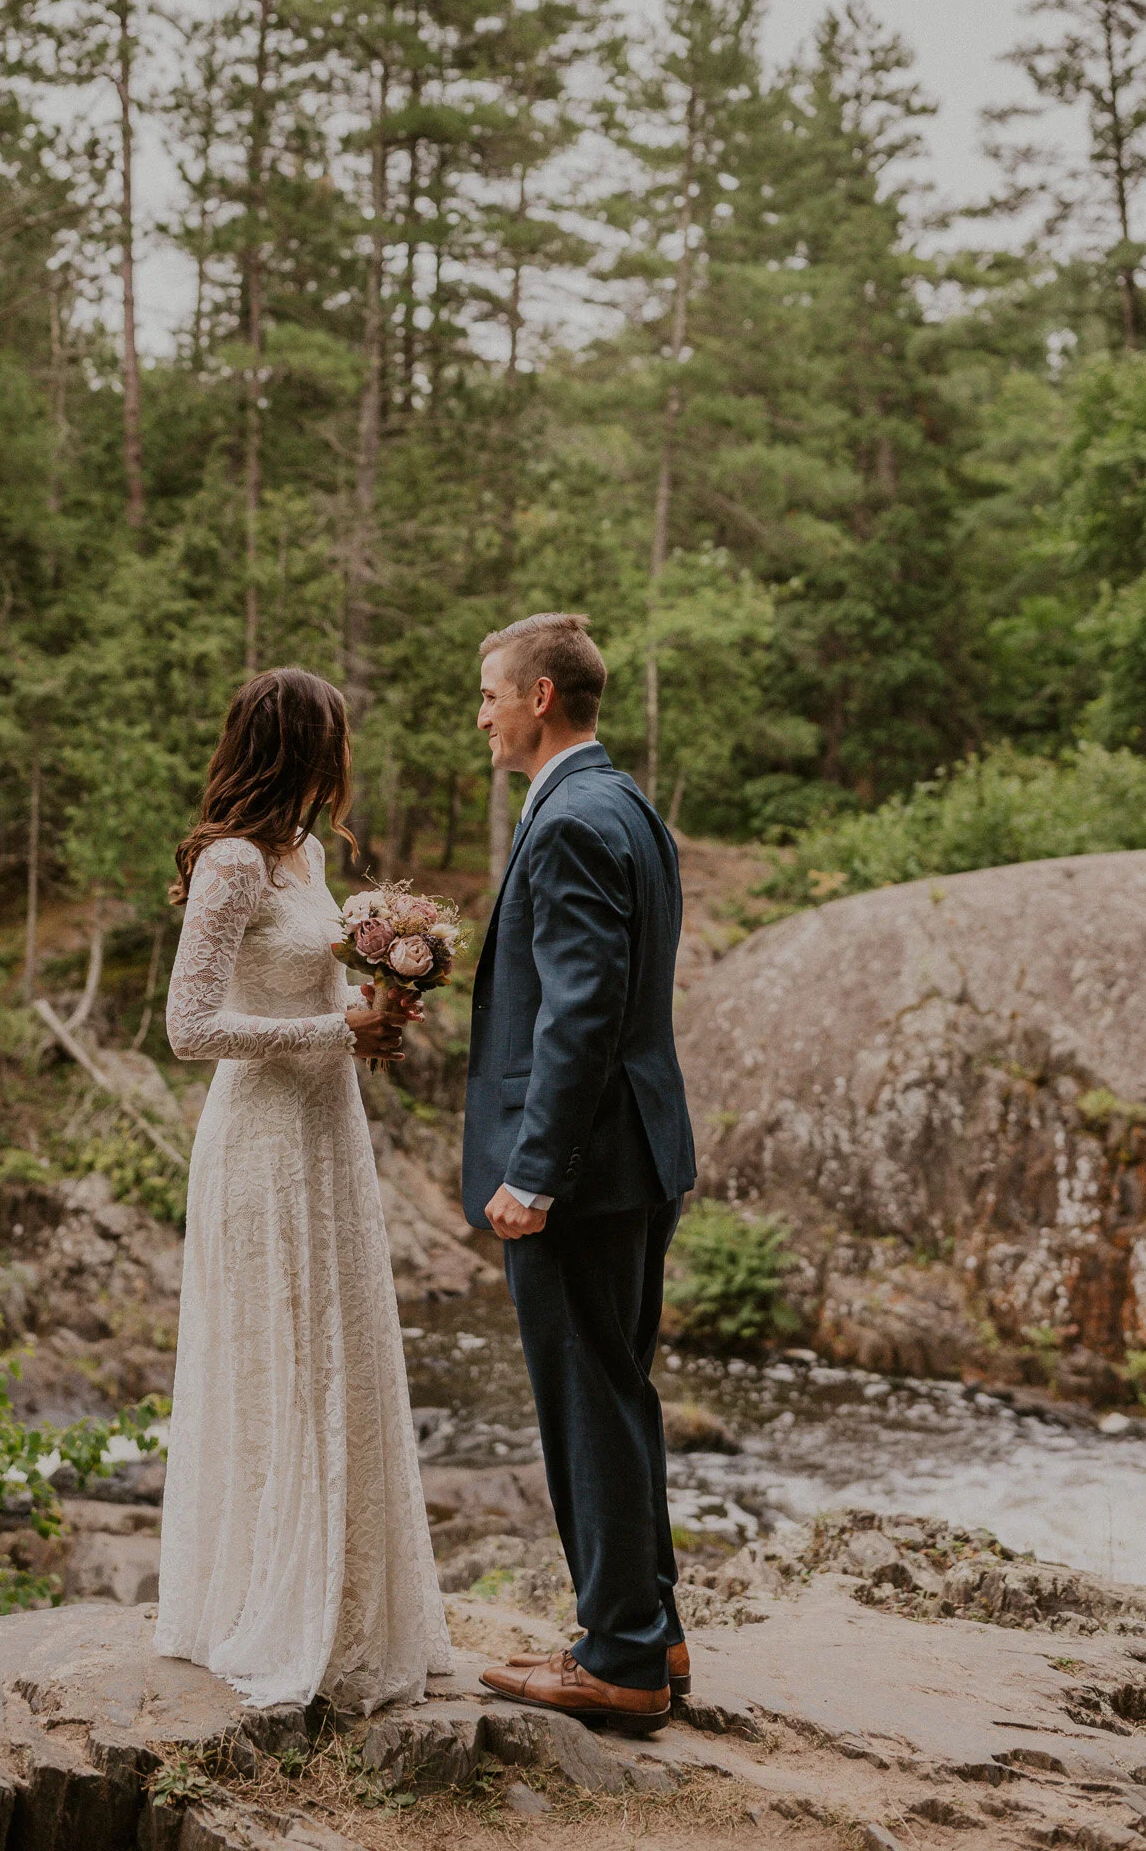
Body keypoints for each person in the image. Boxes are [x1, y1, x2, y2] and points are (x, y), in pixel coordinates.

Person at [155, 667, 453, 1712]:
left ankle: (352, 1596)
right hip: (262, 1139)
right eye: (335, 739)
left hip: (330, 1128)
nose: (346, 758)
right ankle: (263, 1600)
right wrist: (333, 1029)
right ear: (300, 747)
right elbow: (188, 1029)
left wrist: (374, 1016)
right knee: (280, 1353)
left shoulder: (310, 855)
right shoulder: (231, 864)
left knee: (337, 1349)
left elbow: (319, 991)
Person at [463, 613, 698, 1736]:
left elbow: (583, 1010)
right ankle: (651, 1624)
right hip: (640, 1152)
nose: (484, 713)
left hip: (587, 1167)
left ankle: (618, 1658)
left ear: (541, 695)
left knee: (585, 1398)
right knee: (620, 1385)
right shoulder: (627, 802)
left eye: (492, 693)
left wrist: (533, 1173)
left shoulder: (566, 820)